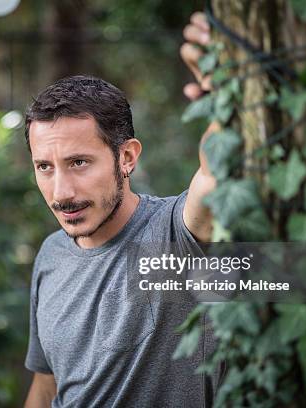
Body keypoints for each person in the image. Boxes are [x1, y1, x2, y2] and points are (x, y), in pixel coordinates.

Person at [23, 12, 222, 408]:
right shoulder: (51, 255)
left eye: (79, 162)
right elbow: (46, 386)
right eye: (45, 167)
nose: (61, 192)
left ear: (127, 157)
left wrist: (224, 99)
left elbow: (218, 173)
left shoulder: (175, 237)